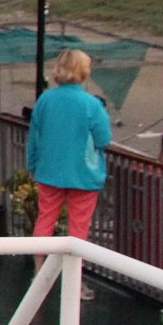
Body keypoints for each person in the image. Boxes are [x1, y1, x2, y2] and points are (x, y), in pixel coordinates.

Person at [26, 49, 113, 298]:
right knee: (78, 230)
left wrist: (33, 166)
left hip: (49, 171)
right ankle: (75, 283)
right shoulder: (91, 104)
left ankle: (39, 274)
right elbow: (104, 139)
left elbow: (34, 137)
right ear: (83, 71)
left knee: (45, 220)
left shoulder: (45, 100)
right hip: (84, 175)